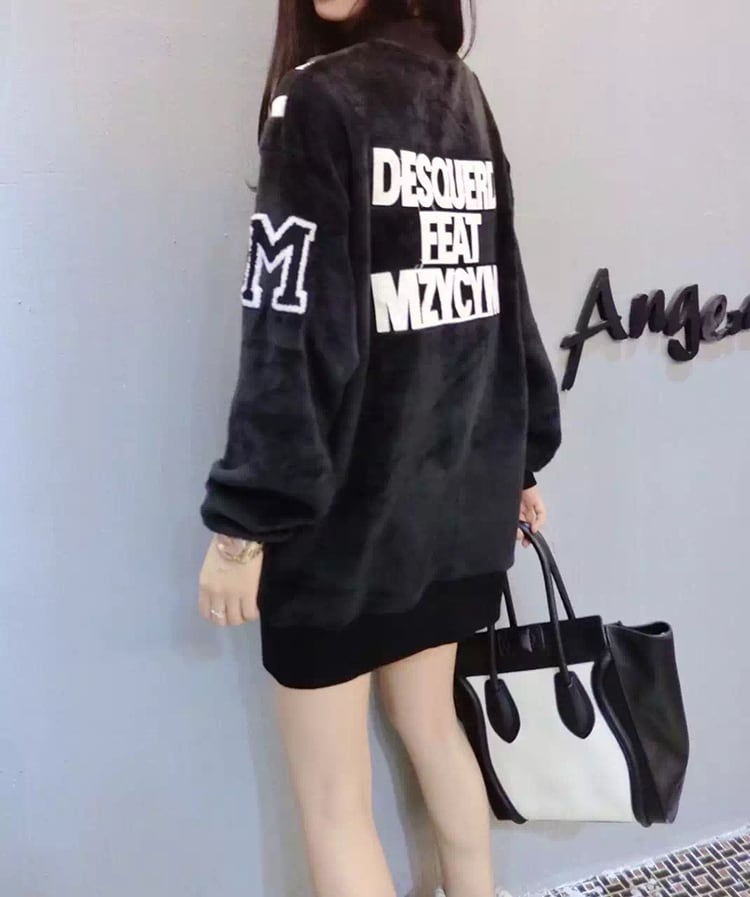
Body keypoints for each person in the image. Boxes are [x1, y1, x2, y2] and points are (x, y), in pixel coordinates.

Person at [197, 1, 562, 896]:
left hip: (340, 527)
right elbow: (504, 298)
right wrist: (519, 460)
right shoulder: (461, 93)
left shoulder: (315, 101)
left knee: (334, 803)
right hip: (448, 509)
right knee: (433, 730)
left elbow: (289, 336)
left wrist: (243, 527)